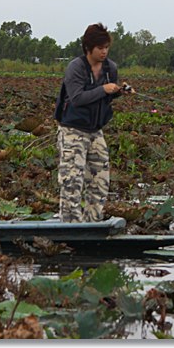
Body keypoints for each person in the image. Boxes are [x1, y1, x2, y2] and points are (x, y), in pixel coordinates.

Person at [54, 23, 134, 222]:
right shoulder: (76, 67)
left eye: (107, 47)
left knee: (100, 181)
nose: (104, 52)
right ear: (88, 48)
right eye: (100, 48)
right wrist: (103, 90)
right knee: (72, 180)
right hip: (72, 130)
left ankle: (93, 222)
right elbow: (77, 98)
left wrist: (118, 92)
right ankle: (70, 224)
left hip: (95, 130)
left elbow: (106, 98)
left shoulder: (110, 68)